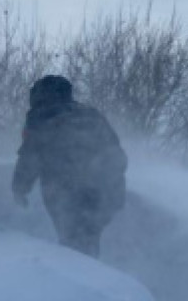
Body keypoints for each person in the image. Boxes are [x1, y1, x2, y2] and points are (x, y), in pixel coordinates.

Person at [12, 75, 127, 257]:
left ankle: (77, 278)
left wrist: (19, 187)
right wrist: (113, 187)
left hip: (64, 190)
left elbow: (30, 156)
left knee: (72, 240)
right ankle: (91, 274)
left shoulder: (40, 117)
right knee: (88, 237)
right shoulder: (92, 115)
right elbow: (117, 154)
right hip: (103, 191)